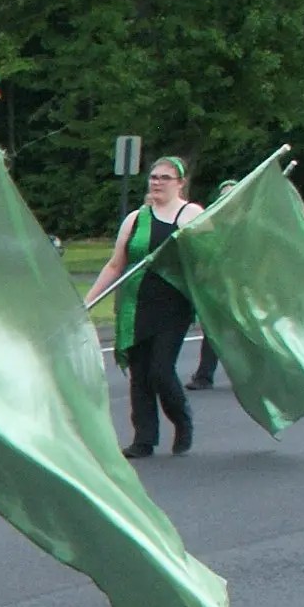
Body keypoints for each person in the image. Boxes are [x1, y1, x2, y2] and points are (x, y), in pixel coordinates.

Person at [85, 156, 203, 456]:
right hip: (135, 305)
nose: (157, 182)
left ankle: (182, 420)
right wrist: (87, 302)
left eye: (165, 178)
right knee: (139, 373)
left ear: (180, 182)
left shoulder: (192, 215)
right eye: (153, 177)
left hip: (173, 306)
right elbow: (115, 265)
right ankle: (144, 439)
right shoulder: (137, 218)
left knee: (161, 371)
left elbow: (205, 260)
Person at [184, 178, 238, 392]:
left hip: (242, 287)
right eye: (223, 194)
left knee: (249, 333)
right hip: (218, 285)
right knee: (213, 330)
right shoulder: (210, 224)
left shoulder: (247, 225)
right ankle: (204, 375)